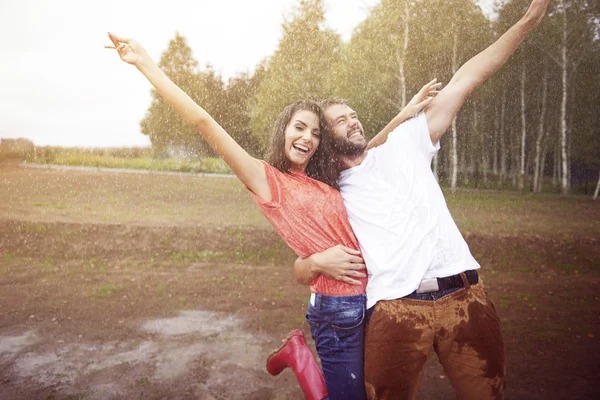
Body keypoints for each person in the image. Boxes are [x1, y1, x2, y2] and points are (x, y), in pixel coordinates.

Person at [105, 33, 439, 400]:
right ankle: (299, 358)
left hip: (374, 300)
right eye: (299, 127)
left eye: (314, 133)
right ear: (283, 129)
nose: (307, 138)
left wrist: (405, 114)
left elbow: (366, 151)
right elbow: (203, 122)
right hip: (337, 311)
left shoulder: (324, 179)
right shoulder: (267, 181)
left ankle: (298, 355)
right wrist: (145, 64)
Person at [278, 1, 551, 399]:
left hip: (464, 294)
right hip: (395, 310)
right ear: (325, 141)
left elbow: (466, 79)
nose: (353, 120)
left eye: (354, 115)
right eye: (341, 120)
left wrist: (528, 22)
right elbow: (302, 266)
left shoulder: (408, 142)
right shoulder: (333, 193)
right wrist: (315, 262)